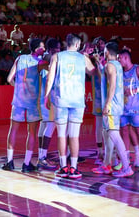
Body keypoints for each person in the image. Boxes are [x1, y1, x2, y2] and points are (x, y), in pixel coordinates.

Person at [44, 33, 95, 179]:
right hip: (77, 101)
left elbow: (50, 79)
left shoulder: (57, 57)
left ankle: (63, 167)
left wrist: (46, 96)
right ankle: (73, 168)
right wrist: (95, 59)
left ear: (67, 43)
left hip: (61, 100)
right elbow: (93, 72)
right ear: (78, 44)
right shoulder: (82, 58)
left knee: (61, 135)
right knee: (74, 135)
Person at [2, 38, 47, 172]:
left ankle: (9, 162)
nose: (44, 50)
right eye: (42, 47)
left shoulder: (19, 58)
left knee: (13, 129)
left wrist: (18, 90)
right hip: (32, 102)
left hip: (18, 100)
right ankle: (26, 163)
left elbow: (9, 79)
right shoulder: (40, 62)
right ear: (37, 49)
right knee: (32, 132)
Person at [92, 42, 134, 177]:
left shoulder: (110, 66)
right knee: (108, 135)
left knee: (115, 136)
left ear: (107, 52)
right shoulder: (115, 65)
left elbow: (112, 86)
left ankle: (127, 167)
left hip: (112, 106)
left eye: (104, 51)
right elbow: (104, 77)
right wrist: (98, 63)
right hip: (115, 105)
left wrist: (107, 104)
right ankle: (106, 165)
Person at [36, 38, 61, 170]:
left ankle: (41, 156)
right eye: (57, 48)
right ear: (52, 49)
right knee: (50, 125)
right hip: (48, 98)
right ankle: (42, 157)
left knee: (44, 125)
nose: (59, 51)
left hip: (43, 98)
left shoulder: (46, 60)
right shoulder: (48, 61)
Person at [90, 36, 107, 164]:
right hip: (97, 96)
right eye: (98, 43)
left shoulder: (109, 60)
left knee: (108, 126)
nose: (100, 44)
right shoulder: (92, 60)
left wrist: (99, 62)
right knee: (99, 125)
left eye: (102, 42)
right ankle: (99, 151)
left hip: (108, 96)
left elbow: (103, 79)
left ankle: (109, 151)